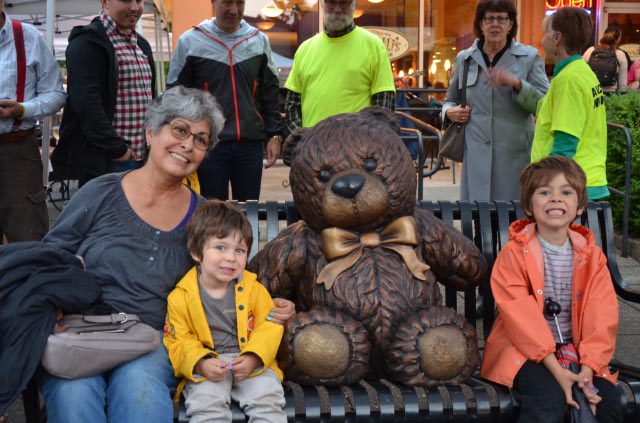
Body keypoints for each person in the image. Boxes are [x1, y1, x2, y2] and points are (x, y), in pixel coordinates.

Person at [39, 86, 295, 422]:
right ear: (150, 132)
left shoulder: (205, 217)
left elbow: (231, 279)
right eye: (179, 130)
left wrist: (275, 307)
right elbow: (51, 255)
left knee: (139, 397)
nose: (188, 145)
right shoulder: (102, 192)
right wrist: (53, 306)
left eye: (201, 139)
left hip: (153, 340)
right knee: (74, 398)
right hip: (81, 329)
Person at [481, 156, 621, 423]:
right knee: (547, 401)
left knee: (604, 401)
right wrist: (558, 370)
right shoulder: (514, 254)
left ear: (579, 206)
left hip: (580, 353)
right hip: (526, 353)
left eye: (566, 192)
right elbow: (520, 318)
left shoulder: (593, 258)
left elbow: (602, 316)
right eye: (545, 192)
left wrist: (588, 369)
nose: (556, 199)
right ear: (529, 206)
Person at [164, 199, 287, 423]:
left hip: (251, 362)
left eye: (239, 250)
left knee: (267, 398)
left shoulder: (254, 290)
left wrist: (253, 356)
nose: (231, 257)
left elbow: (270, 324)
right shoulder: (181, 296)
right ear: (196, 252)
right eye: (220, 247)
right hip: (209, 364)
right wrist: (201, 362)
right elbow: (178, 339)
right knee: (205, 404)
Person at [167, 0, 283, 202]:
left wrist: (274, 135)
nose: (234, 10)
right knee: (212, 214)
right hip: (209, 145)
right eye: (227, 3)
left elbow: (269, 93)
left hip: (250, 145)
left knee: (249, 213)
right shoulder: (191, 41)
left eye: (240, 3)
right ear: (213, 2)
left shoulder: (258, 40)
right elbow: (176, 96)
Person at [442, 0, 549, 201]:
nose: (495, 24)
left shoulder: (529, 57)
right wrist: (449, 112)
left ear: (510, 25)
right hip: (475, 157)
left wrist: (518, 84)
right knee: (478, 219)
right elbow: (449, 101)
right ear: (480, 24)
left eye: (501, 19)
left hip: (515, 157)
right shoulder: (464, 59)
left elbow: (546, 105)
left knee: (512, 219)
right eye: (489, 18)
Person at [51, 0, 155, 186]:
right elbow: (86, 104)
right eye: (126, 0)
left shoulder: (141, 44)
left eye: (139, 0)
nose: (134, 7)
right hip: (108, 161)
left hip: (143, 158)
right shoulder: (87, 42)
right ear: (105, 2)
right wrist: (118, 150)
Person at [0, 0, 65, 243]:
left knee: (27, 236)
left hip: (16, 151)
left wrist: (22, 109)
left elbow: (56, 94)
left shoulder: (28, 37)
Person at [531, 6, 609, 201]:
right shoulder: (583, 71)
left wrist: (543, 187)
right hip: (583, 181)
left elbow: (565, 144)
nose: (543, 41)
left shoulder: (568, 80)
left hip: (568, 188)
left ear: (556, 38)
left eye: (545, 34)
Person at [284, 0, 395, 132]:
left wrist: (367, 145)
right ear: (322, 5)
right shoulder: (305, 50)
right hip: (312, 149)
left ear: (354, 5)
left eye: (343, 3)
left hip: (357, 149)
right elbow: (292, 106)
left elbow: (383, 109)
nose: (337, 9)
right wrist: (303, 140)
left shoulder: (374, 46)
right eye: (331, 2)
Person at [583, 26, 628, 93]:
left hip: (592, 92)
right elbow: (622, 83)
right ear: (619, 39)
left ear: (604, 36)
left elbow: (582, 72)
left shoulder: (590, 50)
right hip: (611, 94)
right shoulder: (620, 54)